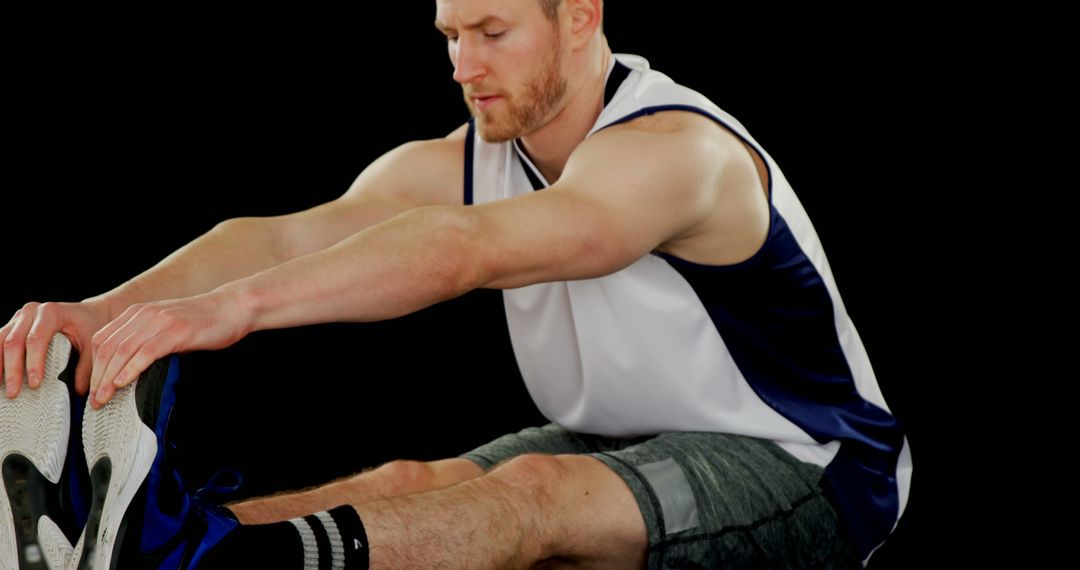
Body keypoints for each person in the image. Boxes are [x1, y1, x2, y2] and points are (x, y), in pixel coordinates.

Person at [0, 0, 912, 568]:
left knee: (529, 500)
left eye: (492, 33)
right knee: (406, 480)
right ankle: (124, 551)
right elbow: (282, 235)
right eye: (448, 34)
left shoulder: (674, 156)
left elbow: (468, 251)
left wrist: (226, 314)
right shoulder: (470, 157)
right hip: (621, 435)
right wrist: (102, 312)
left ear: (581, 16)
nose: (462, 65)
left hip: (812, 466)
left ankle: (215, 565)